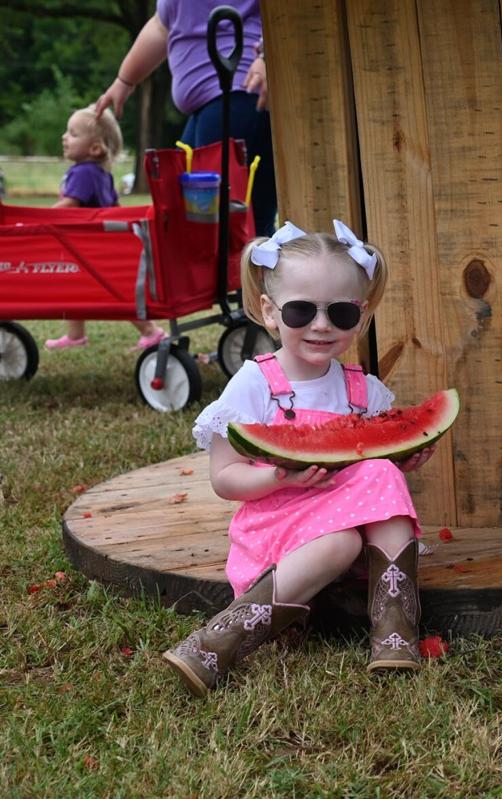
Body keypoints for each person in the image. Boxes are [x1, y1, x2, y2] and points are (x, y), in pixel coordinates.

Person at [163, 220, 435, 696]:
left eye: (342, 314)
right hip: (278, 530)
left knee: (378, 475)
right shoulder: (253, 385)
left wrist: (404, 458)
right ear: (270, 312)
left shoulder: (362, 390)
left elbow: (373, 466)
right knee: (341, 542)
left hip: (350, 526)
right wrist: (276, 476)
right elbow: (225, 478)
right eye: (301, 310)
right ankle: (217, 642)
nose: (322, 325)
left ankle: (395, 631)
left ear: (362, 312)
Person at [94, 0, 277, 236]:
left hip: (241, 95)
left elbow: (285, 13)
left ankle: (260, 271)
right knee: (187, 216)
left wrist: (266, 55)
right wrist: (125, 81)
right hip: (206, 109)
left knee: (238, 227)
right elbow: (162, 26)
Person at [44, 104, 165, 351]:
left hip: (88, 247)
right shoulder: (101, 173)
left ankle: (150, 331)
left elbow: (70, 204)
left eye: (73, 133)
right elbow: (115, 206)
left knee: (114, 293)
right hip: (95, 245)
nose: (64, 137)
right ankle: (75, 335)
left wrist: (42, 217)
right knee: (75, 288)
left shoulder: (83, 173)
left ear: (95, 148)